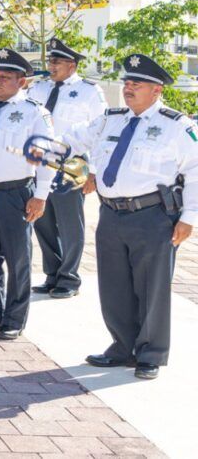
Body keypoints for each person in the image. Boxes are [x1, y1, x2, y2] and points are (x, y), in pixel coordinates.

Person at [55, 54, 197, 380]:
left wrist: (190, 216)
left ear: (157, 90)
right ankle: (122, 346)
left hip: (153, 216)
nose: (128, 88)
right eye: (127, 83)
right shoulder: (110, 119)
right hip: (110, 214)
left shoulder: (176, 126)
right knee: (114, 284)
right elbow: (72, 139)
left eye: (137, 84)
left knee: (151, 287)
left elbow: (195, 171)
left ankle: (150, 353)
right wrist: (82, 167)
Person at [0, 48, 56, 341]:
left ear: (22, 82)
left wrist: (40, 195)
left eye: (5, 77)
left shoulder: (34, 112)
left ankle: (14, 319)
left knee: (18, 259)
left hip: (16, 192)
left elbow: (46, 156)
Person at [26, 38, 107, 298]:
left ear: (72, 65)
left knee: (70, 222)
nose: (51, 66)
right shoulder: (37, 89)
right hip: (41, 162)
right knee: (43, 220)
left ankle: (69, 278)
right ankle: (52, 273)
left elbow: (100, 131)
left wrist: (93, 170)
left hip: (72, 163)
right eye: (50, 61)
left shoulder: (89, 91)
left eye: (56, 62)